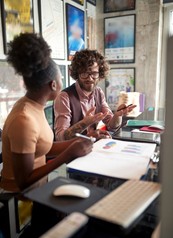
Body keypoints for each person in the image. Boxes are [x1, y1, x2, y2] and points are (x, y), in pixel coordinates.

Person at [0, 33, 93, 193]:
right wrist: (67, 154)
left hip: (37, 190)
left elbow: (42, 147)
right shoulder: (24, 119)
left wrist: (82, 142)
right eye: (61, 77)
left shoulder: (34, 106)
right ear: (53, 85)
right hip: (18, 200)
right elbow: (23, 181)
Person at [54, 49, 136, 141]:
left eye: (94, 73)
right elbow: (60, 137)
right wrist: (84, 123)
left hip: (92, 148)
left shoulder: (98, 93)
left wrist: (118, 115)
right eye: (84, 73)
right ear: (77, 74)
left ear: (100, 73)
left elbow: (112, 126)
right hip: (73, 152)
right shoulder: (64, 97)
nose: (89, 78)